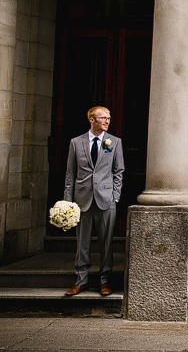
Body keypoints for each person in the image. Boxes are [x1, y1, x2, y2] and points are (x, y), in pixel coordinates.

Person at [63, 106, 124, 296]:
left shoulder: (114, 142)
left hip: (106, 200)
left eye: (108, 118)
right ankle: (81, 280)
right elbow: (70, 174)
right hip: (82, 200)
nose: (107, 121)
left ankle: (104, 281)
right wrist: (67, 202)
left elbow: (118, 171)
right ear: (91, 120)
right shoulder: (76, 143)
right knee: (82, 243)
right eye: (103, 118)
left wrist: (115, 195)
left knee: (106, 243)